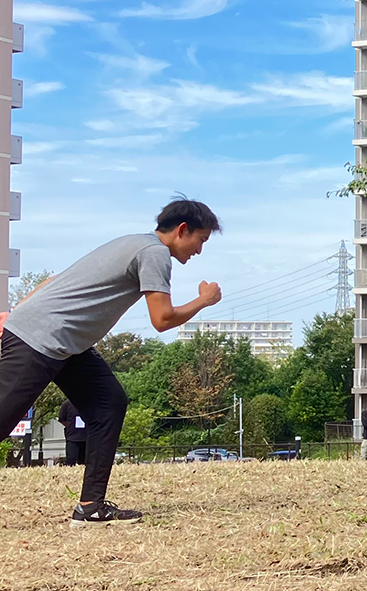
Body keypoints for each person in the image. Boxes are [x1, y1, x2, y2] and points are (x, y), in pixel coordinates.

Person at [0, 198, 222, 526]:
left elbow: (54, 281)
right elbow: (161, 320)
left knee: (108, 403)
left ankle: (90, 506)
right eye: (200, 240)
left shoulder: (132, 242)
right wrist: (203, 301)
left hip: (67, 343)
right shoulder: (155, 254)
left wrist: (16, 312)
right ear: (182, 230)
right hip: (40, 338)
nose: (199, 250)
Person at [58, 398, 87, 466]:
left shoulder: (91, 403)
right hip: (72, 438)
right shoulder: (67, 404)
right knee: (70, 461)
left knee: (85, 462)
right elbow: (62, 419)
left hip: (88, 439)